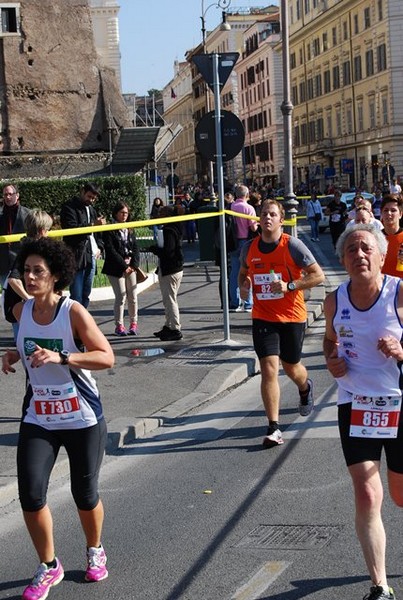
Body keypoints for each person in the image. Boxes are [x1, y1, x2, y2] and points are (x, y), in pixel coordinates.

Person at [1, 237, 114, 600]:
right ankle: (49, 566)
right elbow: (29, 345)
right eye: (26, 271)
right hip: (39, 415)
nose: (30, 278)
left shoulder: (73, 312)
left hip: (81, 415)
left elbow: (105, 357)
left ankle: (95, 548)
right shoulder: (21, 312)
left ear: (55, 276)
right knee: (31, 494)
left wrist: (63, 357)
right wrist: (13, 355)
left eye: (38, 272)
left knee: (85, 494)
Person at [323, 224, 402, 600]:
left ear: (382, 256)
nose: (359, 255)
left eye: (367, 248)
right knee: (369, 494)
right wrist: (331, 359)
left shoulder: (399, 295)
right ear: (343, 260)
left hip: (399, 402)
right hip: (356, 403)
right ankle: (379, 586)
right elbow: (329, 340)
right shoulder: (334, 300)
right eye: (352, 249)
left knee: (400, 495)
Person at [238, 199, 325, 448]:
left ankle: (305, 387)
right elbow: (243, 272)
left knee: (292, 367)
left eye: (272, 214)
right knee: (268, 368)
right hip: (263, 316)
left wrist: (290, 286)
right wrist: (243, 286)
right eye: (263, 214)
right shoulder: (249, 248)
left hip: (292, 316)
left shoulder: (293, 246)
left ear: (281, 219)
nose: (267, 218)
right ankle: (273, 427)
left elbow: (318, 275)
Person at [6, 210, 53, 340]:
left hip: (24, 305)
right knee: (27, 343)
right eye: (48, 230)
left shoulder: (30, 248)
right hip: (20, 305)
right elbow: (13, 280)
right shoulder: (27, 252)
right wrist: (29, 300)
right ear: (42, 231)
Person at [60, 182, 105, 308]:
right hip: (76, 256)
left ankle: (82, 320)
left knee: (86, 293)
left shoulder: (91, 209)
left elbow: (98, 233)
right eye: (89, 196)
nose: (91, 200)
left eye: (94, 198)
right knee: (76, 295)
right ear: (82, 191)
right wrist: (92, 225)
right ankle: (75, 322)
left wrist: (100, 247)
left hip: (91, 255)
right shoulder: (69, 207)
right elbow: (70, 229)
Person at [102, 201, 140, 336]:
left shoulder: (130, 228)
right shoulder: (110, 229)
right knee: (121, 296)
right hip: (116, 268)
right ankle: (119, 325)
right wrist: (124, 267)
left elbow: (135, 247)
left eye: (126, 213)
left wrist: (133, 265)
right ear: (116, 213)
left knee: (133, 296)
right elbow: (111, 250)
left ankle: (133, 323)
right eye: (122, 213)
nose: (124, 215)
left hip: (131, 268)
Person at [149, 204, 184, 341]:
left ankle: (175, 328)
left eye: (161, 215)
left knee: (170, 300)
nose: (159, 217)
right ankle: (169, 325)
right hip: (174, 268)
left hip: (170, 269)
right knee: (168, 299)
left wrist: (155, 249)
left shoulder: (169, 230)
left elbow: (168, 251)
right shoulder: (175, 228)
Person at [229, 184, 258, 311]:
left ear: (236, 195)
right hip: (246, 242)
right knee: (247, 272)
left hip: (232, 242)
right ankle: (248, 303)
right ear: (247, 195)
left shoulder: (231, 206)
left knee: (234, 273)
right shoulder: (249, 208)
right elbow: (253, 228)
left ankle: (235, 302)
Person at [0, 183, 31, 287]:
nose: (8, 197)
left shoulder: (28, 214)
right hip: (3, 263)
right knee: (6, 297)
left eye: (10, 194)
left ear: (17, 195)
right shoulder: (0, 214)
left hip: (21, 262)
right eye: (5, 195)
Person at [380, 194, 403, 277]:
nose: (389, 213)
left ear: (400, 214)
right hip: (381, 287)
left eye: (393, 210)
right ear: (381, 213)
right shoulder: (374, 238)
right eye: (385, 210)